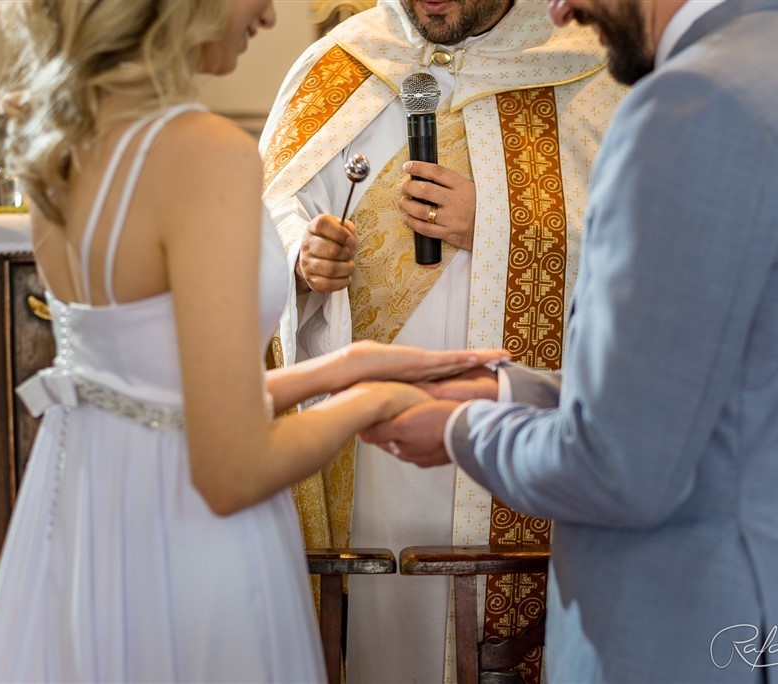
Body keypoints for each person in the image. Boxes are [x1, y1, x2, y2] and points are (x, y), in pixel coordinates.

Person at [0, 1, 504, 682]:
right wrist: (373, 400)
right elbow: (231, 473)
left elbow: (155, 391)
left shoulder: (61, 141)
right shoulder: (204, 154)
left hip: (90, 509)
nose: (272, 15)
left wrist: (344, 366)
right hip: (183, 536)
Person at [363, 0, 778, 682]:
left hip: (690, 634)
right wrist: (507, 388)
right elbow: (710, 392)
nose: (559, 10)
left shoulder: (696, 103)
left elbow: (618, 468)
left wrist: (462, 431)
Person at [259, 1, 625, 680]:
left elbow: (644, 257)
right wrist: (302, 261)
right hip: (364, 455)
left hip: (504, 429)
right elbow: (274, 202)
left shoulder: (587, 71)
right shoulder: (341, 62)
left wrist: (500, 223)